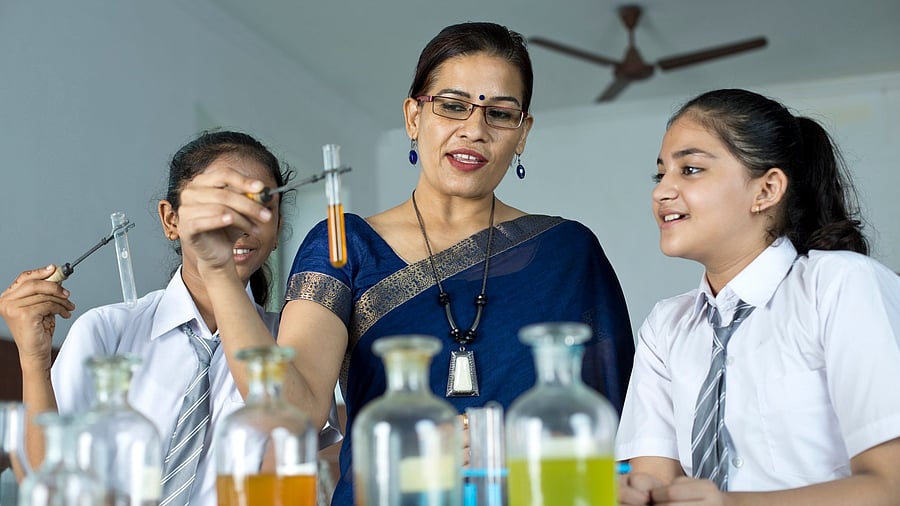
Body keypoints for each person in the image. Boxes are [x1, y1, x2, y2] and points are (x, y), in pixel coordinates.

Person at [183, 22, 634, 505]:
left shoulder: (568, 251)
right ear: (413, 117)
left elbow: (622, 431)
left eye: (500, 114)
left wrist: (509, 445)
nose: (474, 130)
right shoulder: (345, 244)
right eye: (453, 106)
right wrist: (220, 276)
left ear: (522, 134)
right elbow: (296, 413)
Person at [0, 130, 341, 506]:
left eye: (259, 203)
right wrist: (33, 361)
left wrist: (218, 269)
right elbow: (47, 481)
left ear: (276, 229)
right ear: (171, 220)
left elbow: (300, 460)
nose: (239, 222)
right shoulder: (107, 332)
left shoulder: (291, 345)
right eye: (220, 202)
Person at [616, 89, 900, 505]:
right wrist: (634, 492)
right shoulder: (666, 326)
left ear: (766, 190)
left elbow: (890, 486)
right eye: (661, 175)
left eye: (690, 169)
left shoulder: (840, 285)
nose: (662, 192)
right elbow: (653, 480)